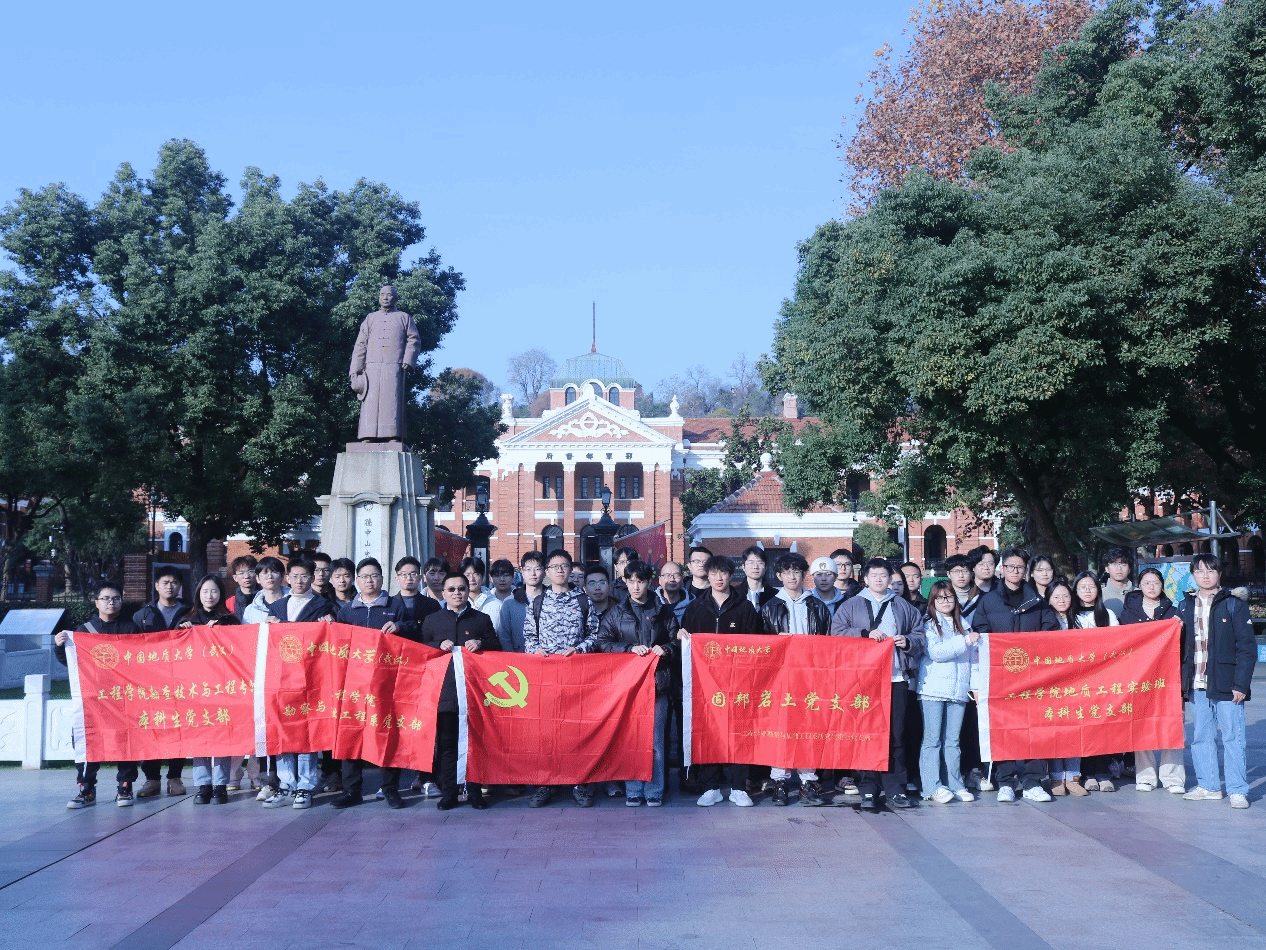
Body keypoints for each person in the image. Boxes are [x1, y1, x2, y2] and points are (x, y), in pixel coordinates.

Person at [830, 558, 926, 811]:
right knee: (866, 733)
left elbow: (920, 635)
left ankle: (895, 788)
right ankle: (868, 787)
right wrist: (863, 634)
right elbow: (836, 633)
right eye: (874, 575)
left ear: (890, 579)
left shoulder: (903, 606)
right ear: (865, 579)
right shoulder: (851, 605)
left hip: (896, 677)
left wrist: (907, 642)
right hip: (862, 680)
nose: (879, 580)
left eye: (884, 576)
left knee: (896, 734)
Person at [972, 547, 1059, 802]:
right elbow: (980, 633)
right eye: (1010, 567)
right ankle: (1006, 782)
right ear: (1002, 569)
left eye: (1020, 567)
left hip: (1033, 676)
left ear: (1026, 571)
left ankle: (1033, 782)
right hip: (1001, 676)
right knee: (1003, 728)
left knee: (1035, 728)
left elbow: (1050, 633)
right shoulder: (988, 601)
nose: (1015, 571)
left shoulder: (1037, 601)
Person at [682, 555, 763, 807]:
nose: (719, 578)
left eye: (723, 573)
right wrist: (682, 636)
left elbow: (756, 644)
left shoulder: (745, 607)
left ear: (731, 575)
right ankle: (711, 786)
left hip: (738, 682)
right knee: (708, 732)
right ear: (707, 575)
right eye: (714, 573)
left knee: (739, 732)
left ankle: (739, 787)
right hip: (705, 683)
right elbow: (686, 640)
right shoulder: (695, 607)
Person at [596, 560, 678, 807]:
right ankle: (633, 789)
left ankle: (654, 790)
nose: (635, 586)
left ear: (649, 582)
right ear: (625, 582)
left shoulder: (663, 611)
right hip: (628, 687)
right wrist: (629, 648)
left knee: (655, 741)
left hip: (657, 684)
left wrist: (666, 649)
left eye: (640, 581)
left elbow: (676, 641)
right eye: (630, 581)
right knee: (630, 739)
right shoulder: (616, 612)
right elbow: (603, 642)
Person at [258, 557, 337, 810]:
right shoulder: (278, 607)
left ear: (313, 578)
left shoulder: (323, 605)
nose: (299, 581)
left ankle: (305, 785)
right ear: (287, 578)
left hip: (310, 679)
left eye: (305, 576)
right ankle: (285, 784)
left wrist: (328, 625)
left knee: (306, 731)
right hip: (281, 679)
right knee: (282, 730)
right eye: (294, 576)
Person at [53, 582, 141, 808]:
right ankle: (86, 788)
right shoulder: (83, 631)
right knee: (88, 740)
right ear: (96, 603)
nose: (111, 602)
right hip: (92, 699)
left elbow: (142, 661)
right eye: (106, 598)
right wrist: (59, 647)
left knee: (125, 740)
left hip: (123, 698)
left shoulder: (131, 629)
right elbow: (71, 663)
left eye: (116, 598)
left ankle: (125, 787)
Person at [525, 549, 601, 807]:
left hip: (575, 676)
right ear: (547, 572)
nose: (559, 570)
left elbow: (593, 635)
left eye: (564, 566)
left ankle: (580, 783)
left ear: (570, 570)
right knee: (546, 733)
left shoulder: (583, 600)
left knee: (576, 731)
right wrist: (535, 650)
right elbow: (528, 637)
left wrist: (579, 649)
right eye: (554, 566)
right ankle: (546, 783)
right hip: (545, 678)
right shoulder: (537, 602)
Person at [1180, 553, 1255, 808]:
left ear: (1219, 574)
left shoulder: (1233, 604)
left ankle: (1237, 789)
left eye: (1210, 570)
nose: (1205, 575)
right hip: (1197, 682)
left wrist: (1241, 684)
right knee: (1201, 736)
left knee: (1233, 737)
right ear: (1193, 574)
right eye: (1200, 571)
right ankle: (1209, 785)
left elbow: (1247, 648)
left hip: (1227, 683)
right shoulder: (1185, 605)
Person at [332, 558, 409, 808]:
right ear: (357, 580)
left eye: (374, 575)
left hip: (386, 683)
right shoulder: (346, 611)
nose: (369, 580)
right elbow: (336, 643)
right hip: (353, 683)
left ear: (382, 579)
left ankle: (390, 789)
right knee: (351, 734)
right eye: (364, 576)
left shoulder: (395, 605)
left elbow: (413, 632)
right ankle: (351, 790)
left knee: (387, 732)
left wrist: (400, 626)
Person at [420, 571, 499, 810]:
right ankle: (449, 793)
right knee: (447, 745)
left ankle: (474, 791)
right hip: (444, 693)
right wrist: (436, 645)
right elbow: (420, 650)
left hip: (474, 693)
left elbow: (497, 648)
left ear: (468, 591)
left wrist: (481, 643)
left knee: (474, 744)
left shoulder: (481, 619)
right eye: (451, 589)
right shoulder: (432, 620)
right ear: (443, 593)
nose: (457, 593)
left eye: (461, 589)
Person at [760, 553, 832, 805]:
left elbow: (828, 643)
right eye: (787, 572)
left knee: (808, 728)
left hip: (810, 678)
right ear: (779, 576)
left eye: (797, 571)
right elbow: (760, 647)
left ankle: (807, 780)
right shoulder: (769, 607)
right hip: (780, 678)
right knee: (780, 729)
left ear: (804, 575)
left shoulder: (818, 607)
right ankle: (779, 780)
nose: (792, 576)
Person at [176, 574, 242, 805]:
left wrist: (223, 631)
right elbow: (173, 649)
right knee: (199, 737)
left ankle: (220, 785)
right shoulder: (188, 619)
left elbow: (240, 649)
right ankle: (203, 785)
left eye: (214, 591)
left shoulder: (230, 619)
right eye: (205, 591)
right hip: (195, 689)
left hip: (223, 688)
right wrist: (182, 630)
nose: (209, 596)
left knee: (222, 737)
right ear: (198, 594)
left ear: (221, 594)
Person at [1120, 568, 1186, 794]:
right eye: (1146, 582)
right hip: (1139, 678)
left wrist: (1179, 628)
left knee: (1171, 724)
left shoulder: (1174, 612)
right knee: (1142, 725)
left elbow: (1182, 646)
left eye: (1156, 582)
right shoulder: (1128, 614)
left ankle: (1173, 778)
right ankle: (1146, 776)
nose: (1151, 586)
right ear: (1139, 586)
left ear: (1162, 585)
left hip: (1168, 678)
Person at [917, 580, 979, 804]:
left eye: (949, 597)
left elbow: (973, 659)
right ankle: (931, 785)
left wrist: (975, 686)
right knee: (932, 740)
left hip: (958, 690)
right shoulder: (928, 624)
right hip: (932, 689)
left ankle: (955, 783)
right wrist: (964, 641)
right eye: (940, 598)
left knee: (953, 741)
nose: (945, 601)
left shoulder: (964, 624)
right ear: (932, 601)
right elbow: (936, 652)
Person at [131, 566, 188, 798]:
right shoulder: (142, 615)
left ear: (180, 586)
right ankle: (151, 779)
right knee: (151, 730)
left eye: (174, 582)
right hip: (150, 683)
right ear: (156, 586)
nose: (169, 586)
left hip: (181, 681)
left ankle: (175, 777)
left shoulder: (189, 612)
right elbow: (130, 647)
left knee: (178, 729)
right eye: (165, 582)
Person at [1071, 570, 1124, 793]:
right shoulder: (1070, 615)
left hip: (1103, 680)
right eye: (1082, 587)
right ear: (1075, 590)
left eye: (1091, 586)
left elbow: (1119, 643)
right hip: (1077, 681)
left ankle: (1103, 772)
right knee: (1083, 727)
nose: (1087, 591)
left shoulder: (1107, 615)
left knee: (1103, 726)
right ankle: (1087, 773)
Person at [349, 284, 421, 442]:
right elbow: (360, 345)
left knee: (392, 401)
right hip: (371, 368)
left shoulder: (404, 317)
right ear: (378, 297)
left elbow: (414, 340)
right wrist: (355, 369)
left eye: (389, 295)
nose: (385, 298)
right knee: (370, 402)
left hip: (394, 366)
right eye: (382, 294)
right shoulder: (371, 318)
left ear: (395, 298)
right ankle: (367, 434)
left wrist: (408, 359)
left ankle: (393, 435)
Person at [497, 550, 545, 653]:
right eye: (528, 569)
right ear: (522, 572)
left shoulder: (553, 600)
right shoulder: (509, 602)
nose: (533, 573)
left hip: (548, 658)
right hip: (518, 659)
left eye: (537, 569)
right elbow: (504, 636)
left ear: (545, 571)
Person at [241, 556, 287, 625]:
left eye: (274, 572)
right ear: (257, 578)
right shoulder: (250, 610)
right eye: (265, 573)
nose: (270, 576)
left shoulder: (293, 603)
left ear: (282, 576)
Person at [733, 545, 777, 610]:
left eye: (760, 563)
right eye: (751, 563)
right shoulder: (734, 594)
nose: (755, 567)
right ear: (743, 567)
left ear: (765, 567)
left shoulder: (775, 595)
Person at [481, 558, 517, 633]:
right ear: (491, 578)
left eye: (506, 575)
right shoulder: (485, 599)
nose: (502, 579)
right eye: (497, 576)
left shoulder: (521, 598)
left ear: (513, 577)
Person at [1100, 547, 1134, 620]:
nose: (1119, 568)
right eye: (1114, 564)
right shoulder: (1099, 595)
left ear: (1129, 569)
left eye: (1123, 564)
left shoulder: (1140, 593)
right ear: (1106, 569)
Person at [226, 556, 259, 621]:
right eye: (241, 573)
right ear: (235, 578)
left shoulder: (266, 599)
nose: (246, 576)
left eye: (250, 571)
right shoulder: (229, 603)